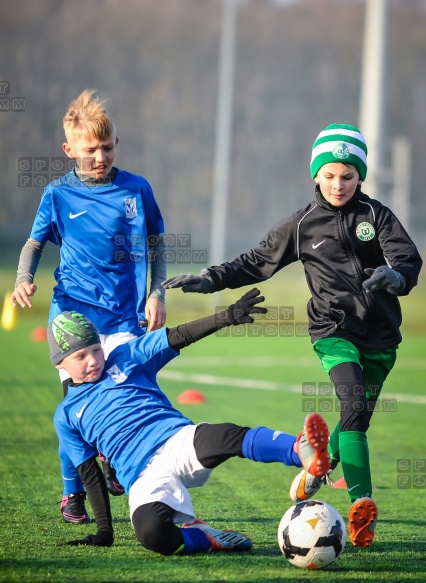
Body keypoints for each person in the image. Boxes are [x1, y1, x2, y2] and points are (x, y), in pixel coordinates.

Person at [162, 123, 423, 548]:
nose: (338, 184)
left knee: (357, 419)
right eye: (330, 175)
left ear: (361, 177)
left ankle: (315, 470)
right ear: (315, 174)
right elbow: (253, 262)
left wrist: (394, 276)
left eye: (348, 176)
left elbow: (407, 260)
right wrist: (209, 279)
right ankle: (362, 508)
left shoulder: (377, 216)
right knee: (353, 402)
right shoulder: (301, 225)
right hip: (333, 331)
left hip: (382, 337)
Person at [48, 289, 331, 554]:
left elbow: (177, 335)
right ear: (60, 363)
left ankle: (298, 451)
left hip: (174, 440)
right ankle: (204, 537)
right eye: (80, 356)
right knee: (154, 536)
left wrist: (225, 317)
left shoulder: (125, 357)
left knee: (226, 436)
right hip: (141, 477)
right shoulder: (66, 414)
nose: (94, 360)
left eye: (96, 350)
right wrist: (104, 531)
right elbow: (90, 474)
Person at [10, 89, 167, 523]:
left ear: (117, 142)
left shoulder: (137, 189)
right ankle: (71, 493)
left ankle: (116, 461)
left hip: (124, 314)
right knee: (78, 408)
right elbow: (33, 244)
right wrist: (23, 278)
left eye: (108, 146)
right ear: (69, 150)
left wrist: (158, 293)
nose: (101, 156)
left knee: (124, 395)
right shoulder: (58, 194)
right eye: (91, 149)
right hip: (72, 313)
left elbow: (156, 245)